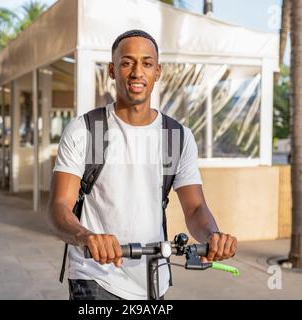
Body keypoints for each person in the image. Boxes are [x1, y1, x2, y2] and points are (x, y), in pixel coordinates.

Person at [48, 29, 237, 300]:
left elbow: (195, 208)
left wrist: (213, 235)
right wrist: (86, 237)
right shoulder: (85, 131)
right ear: (113, 70)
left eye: (147, 63)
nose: (138, 72)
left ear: (157, 71)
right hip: (95, 277)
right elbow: (58, 207)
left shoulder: (176, 136)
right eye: (127, 62)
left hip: (153, 279)